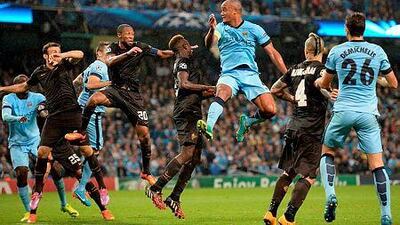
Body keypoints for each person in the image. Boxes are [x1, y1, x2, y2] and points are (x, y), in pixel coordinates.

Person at [0, 42, 108, 223]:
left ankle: (102, 206)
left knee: (80, 165)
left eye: (57, 52)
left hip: (68, 123)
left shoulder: (64, 66)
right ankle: (32, 211)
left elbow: (80, 53)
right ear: (45, 56)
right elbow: (23, 88)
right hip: (52, 130)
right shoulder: (38, 76)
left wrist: (63, 55)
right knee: (41, 159)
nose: (55, 55)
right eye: (52, 53)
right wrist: (3, 89)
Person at [65, 24, 174, 185]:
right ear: (119, 35)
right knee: (93, 100)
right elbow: (109, 61)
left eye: (132, 33)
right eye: (128, 34)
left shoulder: (140, 46)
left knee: (144, 136)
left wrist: (179, 51)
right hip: (115, 90)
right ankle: (81, 132)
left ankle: (146, 172)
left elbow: (162, 53)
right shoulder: (112, 48)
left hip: (133, 96)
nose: (131, 36)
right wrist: (128, 54)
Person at [316, 12, 398, 225]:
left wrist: (329, 88)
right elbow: (394, 83)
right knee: (377, 165)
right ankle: (386, 214)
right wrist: (377, 80)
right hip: (368, 113)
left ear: (346, 29)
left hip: (343, 110)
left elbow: (324, 83)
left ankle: (331, 194)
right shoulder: (377, 51)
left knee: (327, 152)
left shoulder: (337, 51)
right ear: (365, 29)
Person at [264, 33, 336, 225]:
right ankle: (288, 217)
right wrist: (329, 93)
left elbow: (274, 89)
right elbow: (322, 82)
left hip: (293, 127)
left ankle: (270, 213)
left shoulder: (294, 69)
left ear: (306, 51)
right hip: (311, 130)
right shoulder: (322, 69)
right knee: (309, 176)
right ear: (322, 51)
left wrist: (292, 98)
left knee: (288, 172)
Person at [145, 34, 215, 219]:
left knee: (195, 159)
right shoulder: (182, 62)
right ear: (181, 48)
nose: (190, 48)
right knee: (187, 154)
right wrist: (209, 87)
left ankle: (174, 197)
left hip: (193, 111)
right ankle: (155, 187)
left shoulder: (187, 63)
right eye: (187, 46)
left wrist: (216, 93)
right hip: (186, 113)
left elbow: (193, 93)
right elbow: (185, 85)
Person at [197, 0, 287, 142]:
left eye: (224, 10)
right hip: (229, 74)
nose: (221, 13)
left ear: (235, 11)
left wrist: (287, 75)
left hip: (250, 74)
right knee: (222, 92)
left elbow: (272, 52)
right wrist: (212, 29)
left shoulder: (254, 28)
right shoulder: (220, 28)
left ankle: (248, 122)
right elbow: (209, 44)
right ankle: (208, 127)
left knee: (270, 110)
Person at [2, 74, 79, 222]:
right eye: (22, 86)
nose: (25, 88)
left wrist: (46, 113)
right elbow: (5, 117)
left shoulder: (37, 97)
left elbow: (46, 110)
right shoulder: (8, 98)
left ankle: (64, 204)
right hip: (17, 143)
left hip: (35, 140)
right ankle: (28, 211)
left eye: (27, 85)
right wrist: (18, 118)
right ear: (16, 87)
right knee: (21, 173)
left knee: (55, 168)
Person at [71, 41, 112, 206]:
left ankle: (80, 183)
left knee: (88, 151)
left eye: (111, 53)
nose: (110, 56)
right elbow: (90, 84)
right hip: (91, 112)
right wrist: (110, 84)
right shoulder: (100, 67)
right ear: (99, 54)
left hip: (81, 108)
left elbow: (76, 82)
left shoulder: (90, 67)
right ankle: (81, 188)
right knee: (94, 150)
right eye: (107, 53)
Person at [50, 140, 115, 221]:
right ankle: (32, 212)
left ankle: (104, 209)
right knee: (52, 174)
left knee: (81, 174)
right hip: (48, 149)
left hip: (65, 150)